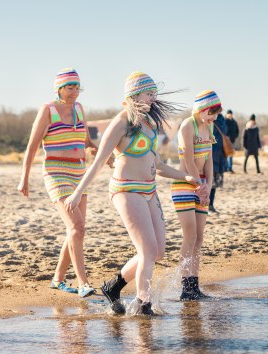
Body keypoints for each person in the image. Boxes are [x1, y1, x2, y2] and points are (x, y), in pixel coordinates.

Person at [63, 72, 202, 315]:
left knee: (157, 252)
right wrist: (77, 193)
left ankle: (113, 287)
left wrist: (185, 177)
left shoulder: (148, 123)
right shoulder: (120, 123)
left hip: (149, 190)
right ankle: (142, 303)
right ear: (133, 94)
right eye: (149, 94)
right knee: (147, 251)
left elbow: (157, 165)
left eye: (154, 94)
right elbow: (98, 163)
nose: (152, 99)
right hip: (126, 190)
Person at [18, 68, 105, 298]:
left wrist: (94, 148)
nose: (75, 92)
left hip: (79, 173)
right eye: (70, 87)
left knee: (75, 230)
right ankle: (83, 282)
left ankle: (57, 279)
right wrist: (24, 178)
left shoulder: (79, 109)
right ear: (59, 88)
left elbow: (85, 139)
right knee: (77, 227)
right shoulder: (48, 110)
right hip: (57, 174)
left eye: (77, 87)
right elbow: (33, 146)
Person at [173, 90, 221, 300]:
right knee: (190, 236)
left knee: (199, 238)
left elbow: (209, 159)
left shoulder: (208, 126)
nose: (214, 118)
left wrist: (208, 185)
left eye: (216, 114)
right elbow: (190, 160)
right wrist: (200, 186)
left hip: (202, 183)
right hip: (185, 184)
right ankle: (185, 287)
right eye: (211, 113)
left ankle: (194, 284)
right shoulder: (187, 125)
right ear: (201, 109)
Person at [208, 112, 229, 213]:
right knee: (213, 182)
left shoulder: (210, 120)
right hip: (220, 155)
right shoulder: (223, 120)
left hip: (212, 154)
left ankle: (209, 205)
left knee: (209, 181)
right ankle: (210, 204)